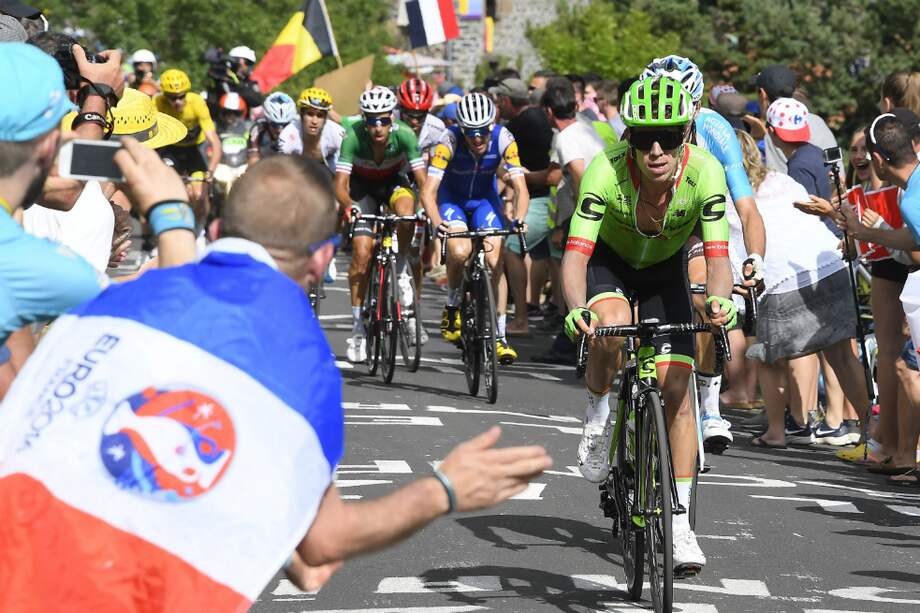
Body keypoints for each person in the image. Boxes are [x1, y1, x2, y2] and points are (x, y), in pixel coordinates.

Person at [0, 154, 552, 610]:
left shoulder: (114, 299)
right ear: (319, 258)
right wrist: (446, 488)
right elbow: (322, 546)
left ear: (216, 230)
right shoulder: (302, 360)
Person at [562, 76, 736, 575]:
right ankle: (597, 415)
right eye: (642, 138)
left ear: (687, 133)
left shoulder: (705, 173)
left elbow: (719, 257)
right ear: (629, 139)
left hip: (665, 271)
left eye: (668, 136)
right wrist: (578, 309)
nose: (655, 149)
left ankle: (679, 525)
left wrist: (721, 301)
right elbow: (576, 258)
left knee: (676, 386)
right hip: (609, 263)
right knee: (610, 323)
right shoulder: (603, 171)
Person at [0, 42, 197, 346]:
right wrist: (173, 220)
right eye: (59, 124)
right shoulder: (40, 255)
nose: (69, 134)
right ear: (50, 145)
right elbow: (173, 308)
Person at [642, 55, 766, 452]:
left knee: (708, 298)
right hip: (646, 225)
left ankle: (710, 405)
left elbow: (746, 207)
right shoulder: (638, 129)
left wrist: (755, 257)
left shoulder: (713, 130)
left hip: (693, 224)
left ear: (696, 107)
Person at [728, 129, 868, 447]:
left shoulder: (729, 194)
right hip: (830, 265)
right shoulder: (779, 179)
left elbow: (737, 248)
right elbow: (809, 214)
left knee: (770, 358)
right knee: (843, 356)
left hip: (782, 279)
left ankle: (777, 431)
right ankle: (872, 430)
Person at [420, 93, 529, 364]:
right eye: (471, 132)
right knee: (458, 251)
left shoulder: (504, 138)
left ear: (491, 126)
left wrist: (519, 218)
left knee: (495, 259)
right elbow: (428, 191)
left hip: (484, 202)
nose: (477, 138)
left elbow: (521, 188)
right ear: (461, 128)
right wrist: (437, 223)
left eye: (482, 131)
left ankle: (501, 335)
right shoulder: (448, 140)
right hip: (452, 202)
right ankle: (453, 306)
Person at [335, 86, 427, 363]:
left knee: (407, 210)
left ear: (392, 118)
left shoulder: (406, 136)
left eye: (384, 120)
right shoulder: (352, 138)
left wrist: (424, 208)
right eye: (371, 120)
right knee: (362, 255)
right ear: (364, 119)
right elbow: (340, 185)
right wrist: (349, 206)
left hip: (392, 184)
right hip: (362, 189)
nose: (377, 127)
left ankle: (399, 269)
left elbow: (422, 181)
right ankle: (358, 329)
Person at [532, 77, 606, 365]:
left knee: (575, 278)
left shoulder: (565, 138)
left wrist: (578, 222)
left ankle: (571, 346)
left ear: (549, 111)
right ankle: (574, 343)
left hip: (584, 217)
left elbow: (579, 175)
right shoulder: (585, 128)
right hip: (595, 213)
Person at [489, 77, 554, 337]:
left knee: (512, 251)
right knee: (546, 257)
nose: (497, 106)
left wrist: (507, 177)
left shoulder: (515, 126)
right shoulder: (542, 117)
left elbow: (503, 165)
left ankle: (522, 318)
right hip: (554, 200)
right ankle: (544, 309)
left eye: (498, 101)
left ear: (506, 101)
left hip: (537, 199)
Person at [154, 68, 222, 224]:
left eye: (181, 96)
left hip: (195, 149)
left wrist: (210, 174)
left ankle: (200, 228)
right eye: (172, 98)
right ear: (164, 95)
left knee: (198, 194)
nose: (177, 102)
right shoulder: (156, 103)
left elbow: (216, 144)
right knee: (168, 189)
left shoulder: (197, 102)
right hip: (170, 149)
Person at [752, 64, 837, 173]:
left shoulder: (774, 133)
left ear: (763, 94)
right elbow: (837, 175)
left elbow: (778, 181)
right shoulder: (817, 121)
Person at [248, 92, 302, 164]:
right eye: (275, 125)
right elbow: (253, 159)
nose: (280, 130)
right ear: (267, 121)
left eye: (285, 125)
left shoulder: (298, 127)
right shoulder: (258, 128)